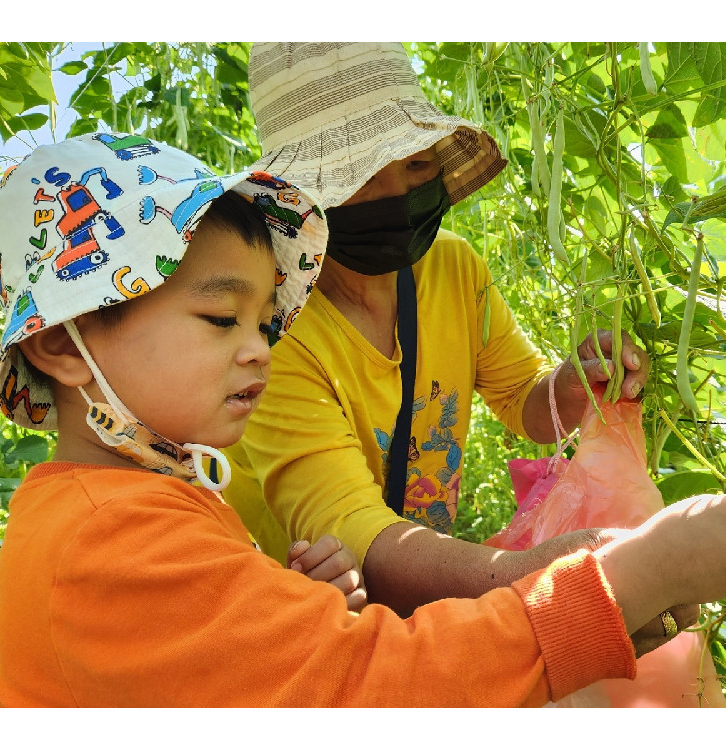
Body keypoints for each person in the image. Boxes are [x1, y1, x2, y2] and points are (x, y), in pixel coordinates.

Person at [0, 133, 726, 707]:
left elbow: (233, 667)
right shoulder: (110, 542)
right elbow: (371, 692)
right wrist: (627, 580)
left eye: (262, 321)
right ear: (65, 343)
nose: (259, 351)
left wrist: (282, 604)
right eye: (219, 321)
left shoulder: (139, 504)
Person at [224, 42, 652, 615]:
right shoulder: (271, 332)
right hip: (316, 615)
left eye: (416, 165)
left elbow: (522, 398)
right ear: (302, 194)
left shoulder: (454, 267)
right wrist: (545, 579)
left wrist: (569, 388)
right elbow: (349, 530)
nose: (398, 195)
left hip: (436, 588)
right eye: (361, 175)